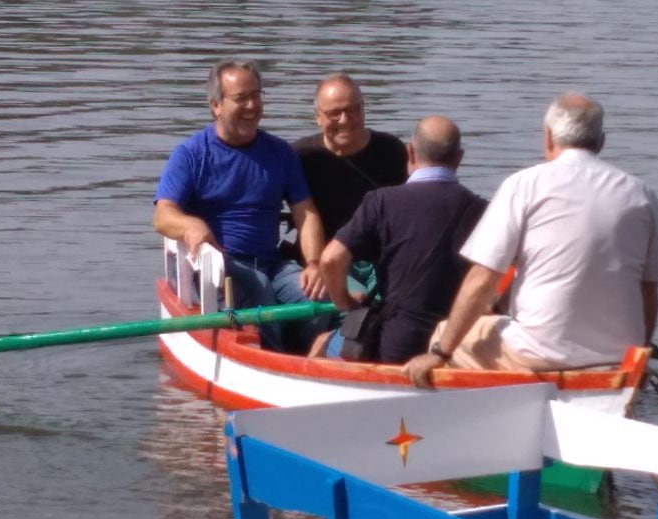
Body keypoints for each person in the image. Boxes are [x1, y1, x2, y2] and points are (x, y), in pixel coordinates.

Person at [403, 92, 658, 388]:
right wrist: (640, 358)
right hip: (619, 361)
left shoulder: (523, 185)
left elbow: (481, 281)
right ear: (601, 142)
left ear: (548, 138)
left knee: (444, 333)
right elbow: (649, 289)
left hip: (538, 355)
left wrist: (440, 353)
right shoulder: (641, 194)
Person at [153, 58, 327, 353]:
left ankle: (307, 358)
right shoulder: (191, 154)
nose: (251, 106)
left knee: (322, 299)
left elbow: (306, 214)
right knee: (258, 289)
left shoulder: (280, 152)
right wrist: (191, 224)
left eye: (256, 96)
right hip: (221, 268)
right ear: (216, 105)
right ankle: (272, 359)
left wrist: (314, 264)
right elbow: (162, 215)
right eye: (241, 98)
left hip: (271, 263)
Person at [316, 116, 487, 364]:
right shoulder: (482, 211)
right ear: (459, 158)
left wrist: (344, 301)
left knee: (322, 342)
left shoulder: (381, 202)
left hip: (397, 345)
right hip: (455, 348)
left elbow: (331, 259)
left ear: (410, 152)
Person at [292, 73, 409, 241]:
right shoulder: (300, 156)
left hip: (378, 257)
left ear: (363, 109)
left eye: (353, 110)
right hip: (318, 258)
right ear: (318, 116)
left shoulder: (392, 151)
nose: (344, 120)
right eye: (334, 113)